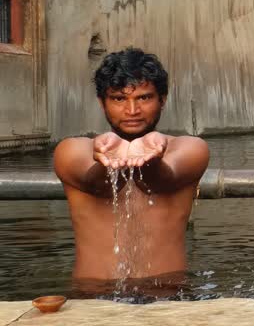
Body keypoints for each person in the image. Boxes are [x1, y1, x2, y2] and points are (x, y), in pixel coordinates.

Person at [54, 48, 209, 282]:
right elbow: (97, 185)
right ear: (102, 102)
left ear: (162, 100)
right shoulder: (73, 150)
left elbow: (160, 182)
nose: (132, 111)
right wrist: (107, 162)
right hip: (93, 296)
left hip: (167, 295)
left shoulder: (190, 148)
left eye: (144, 98)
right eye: (118, 99)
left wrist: (150, 159)